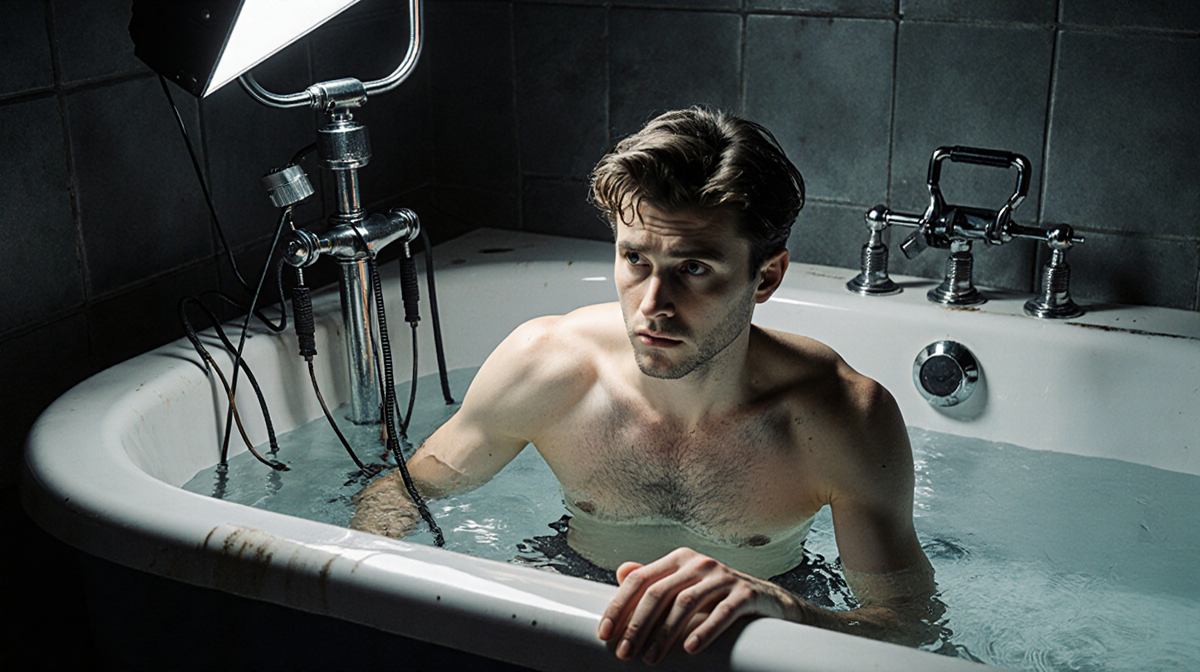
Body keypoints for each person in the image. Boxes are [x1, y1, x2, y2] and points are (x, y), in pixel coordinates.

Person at [351, 107, 939, 664]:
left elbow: (908, 624)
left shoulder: (841, 418)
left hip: (756, 630)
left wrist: (786, 612)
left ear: (766, 277)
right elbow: (401, 493)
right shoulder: (548, 366)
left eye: (694, 268)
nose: (652, 306)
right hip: (569, 598)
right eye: (635, 259)